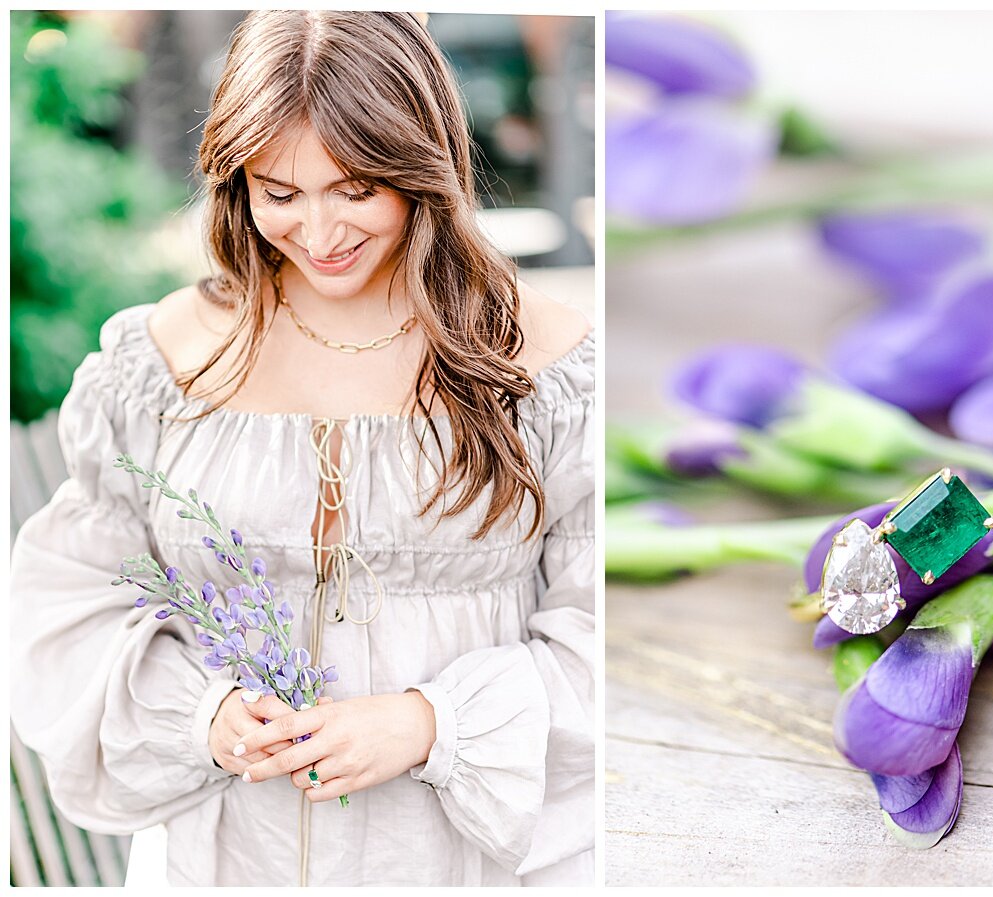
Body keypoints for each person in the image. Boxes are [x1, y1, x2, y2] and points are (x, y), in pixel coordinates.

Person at [10, 11, 594, 887]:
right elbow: (69, 603)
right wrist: (203, 716)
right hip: (221, 859)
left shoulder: (541, 363)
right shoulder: (164, 359)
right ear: (236, 180)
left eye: (357, 189)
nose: (319, 234)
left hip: (462, 867)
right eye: (279, 192)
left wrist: (429, 721)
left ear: (422, 167)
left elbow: (598, 634)